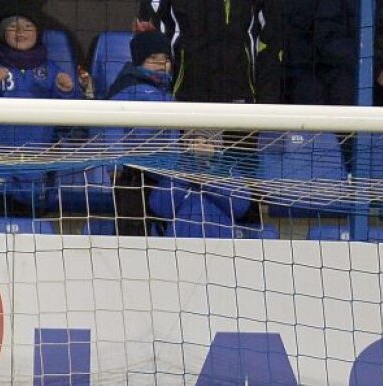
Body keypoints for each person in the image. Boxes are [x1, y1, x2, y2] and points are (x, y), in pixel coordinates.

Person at [0, 8, 80, 217]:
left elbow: (68, 124)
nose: (21, 32)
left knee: (31, 225)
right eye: (13, 26)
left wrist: (67, 92)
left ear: (38, 33)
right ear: (2, 33)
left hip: (36, 165)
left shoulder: (53, 71)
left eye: (28, 27)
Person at [133, 0, 283, 103]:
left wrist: (267, 99)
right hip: (187, 96)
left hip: (241, 96)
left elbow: (271, 43)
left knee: (240, 150)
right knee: (193, 150)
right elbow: (148, 43)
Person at [106, 29, 175, 237]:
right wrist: (114, 164)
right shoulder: (128, 88)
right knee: (132, 226)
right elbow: (112, 127)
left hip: (162, 172)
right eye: (153, 58)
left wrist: (176, 162)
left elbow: (173, 133)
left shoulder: (167, 91)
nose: (161, 63)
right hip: (132, 172)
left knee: (161, 223)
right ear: (139, 61)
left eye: (165, 59)